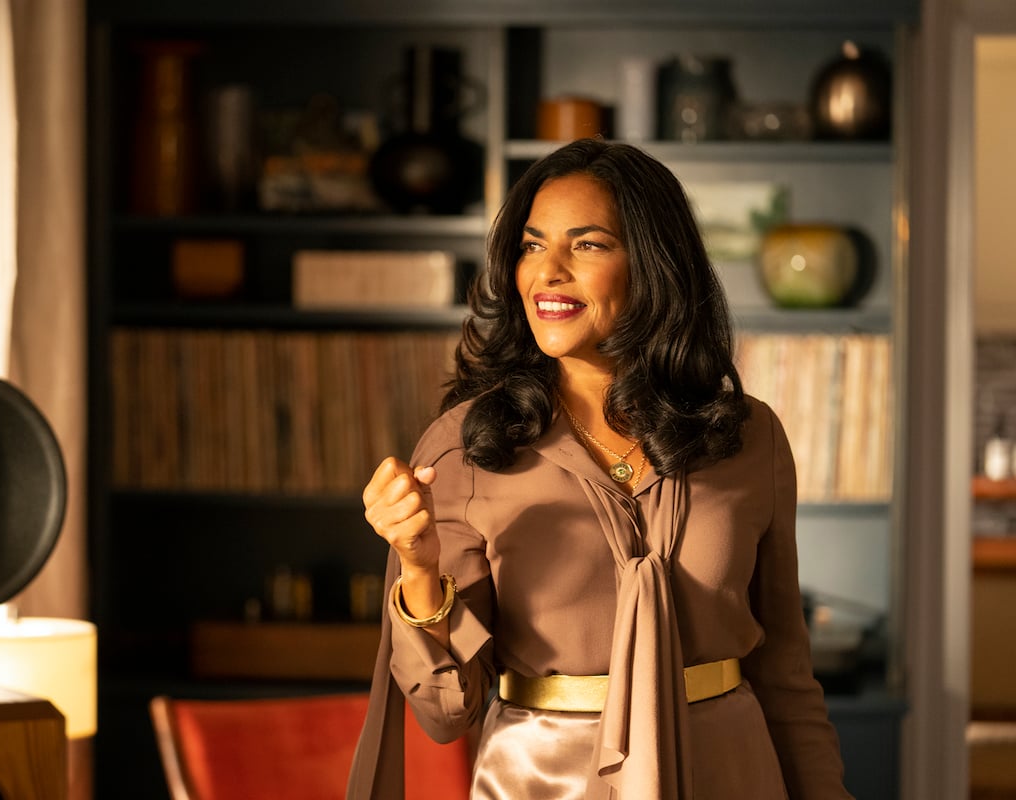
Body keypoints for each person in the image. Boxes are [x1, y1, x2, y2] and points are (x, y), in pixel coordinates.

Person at [346, 138, 851, 799]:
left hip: (730, 771)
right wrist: (417, 566)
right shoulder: (464, 449)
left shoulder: (748, 438)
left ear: (653, 264)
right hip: (542, 782)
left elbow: (785, 676)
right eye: (531, 245)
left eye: (586, 245)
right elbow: (444, 713)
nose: (547, 271)